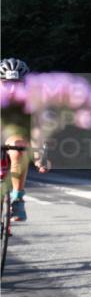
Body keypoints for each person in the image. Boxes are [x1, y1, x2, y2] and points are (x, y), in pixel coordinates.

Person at [0, 58, 49, 222]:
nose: (12, 89)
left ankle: (17, 199)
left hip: (14, 135)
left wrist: (39, 157)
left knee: (18, 149)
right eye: (6, 83)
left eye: (18, 83)